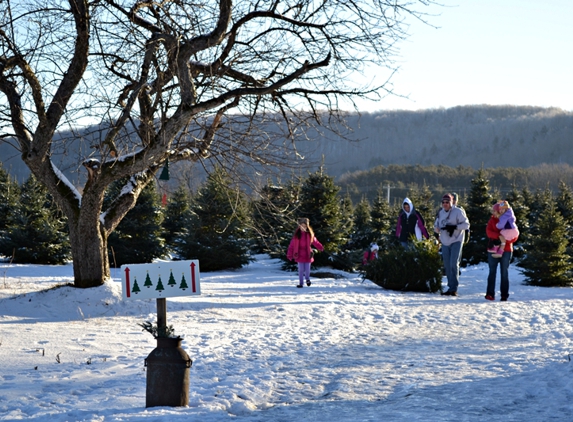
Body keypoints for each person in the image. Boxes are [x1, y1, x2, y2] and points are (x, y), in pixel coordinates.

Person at [434, 193, 470, 296]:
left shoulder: (458, 212)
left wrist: (455, 227)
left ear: (451, 202)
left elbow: (466, 225)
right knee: (447, 265)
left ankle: (454, 288)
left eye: (447, 202)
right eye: (443, 202)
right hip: (445, 241)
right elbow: (436, 225)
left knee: (454, 263)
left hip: (456, 240)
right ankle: (450, 287)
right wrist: (437, 230)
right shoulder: (440, 213)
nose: (445, 204)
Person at [485, 202, 519, 301]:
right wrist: (499, 236)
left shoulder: (508, 220)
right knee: (492, 271)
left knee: (504, 272)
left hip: (507, 250)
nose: (494, 213)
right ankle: (490, 293)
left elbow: (514, 235)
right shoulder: (492, 221)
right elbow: (488, 232)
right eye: (493, 211)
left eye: (495, 211)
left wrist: (505, 240)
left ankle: (504, 294)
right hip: (493, 249)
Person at [286, 218, 324, 288]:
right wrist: (289, 254)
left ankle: (307, 279)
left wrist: (320, 247)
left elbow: (315, 242)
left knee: (307, 269)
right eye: (302, 226)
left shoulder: (310, 235)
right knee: (300, 270)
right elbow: (291, 246)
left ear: (307, 226)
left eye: (305, 226)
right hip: (299, 254)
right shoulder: (296, 236)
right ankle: (301, 283)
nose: (303, 227)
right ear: (299, 226)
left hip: (308, 254)